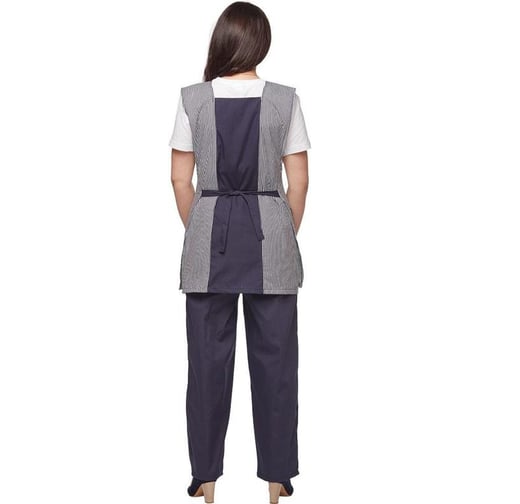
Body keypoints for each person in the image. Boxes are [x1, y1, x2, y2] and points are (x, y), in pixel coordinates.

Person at [169, 2, 311, 503]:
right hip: (271, 239)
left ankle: (205, 479)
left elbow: (180, 180)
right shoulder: (285, 100)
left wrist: (203, 228)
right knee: (277, 366)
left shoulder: (191, 99)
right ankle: (277, 478)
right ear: (260, 43)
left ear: (223, 40)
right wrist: (279, 232)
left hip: (208, 241)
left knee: (206, 365)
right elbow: (299, 182)